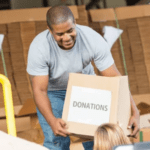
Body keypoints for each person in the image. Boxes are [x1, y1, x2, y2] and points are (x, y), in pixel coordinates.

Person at [26, 5, 140, 150]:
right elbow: (40, 90)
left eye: (70, 31)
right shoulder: (39, 48)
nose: (66, 38)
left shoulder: (91, 39)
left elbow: (115, 78)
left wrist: (134, 112)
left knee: (100, 137)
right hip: (53, 92)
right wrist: (52, 120)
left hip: (86, 87)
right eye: (60, 34)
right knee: (57, 141)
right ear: (50, 31)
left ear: (75, 23)